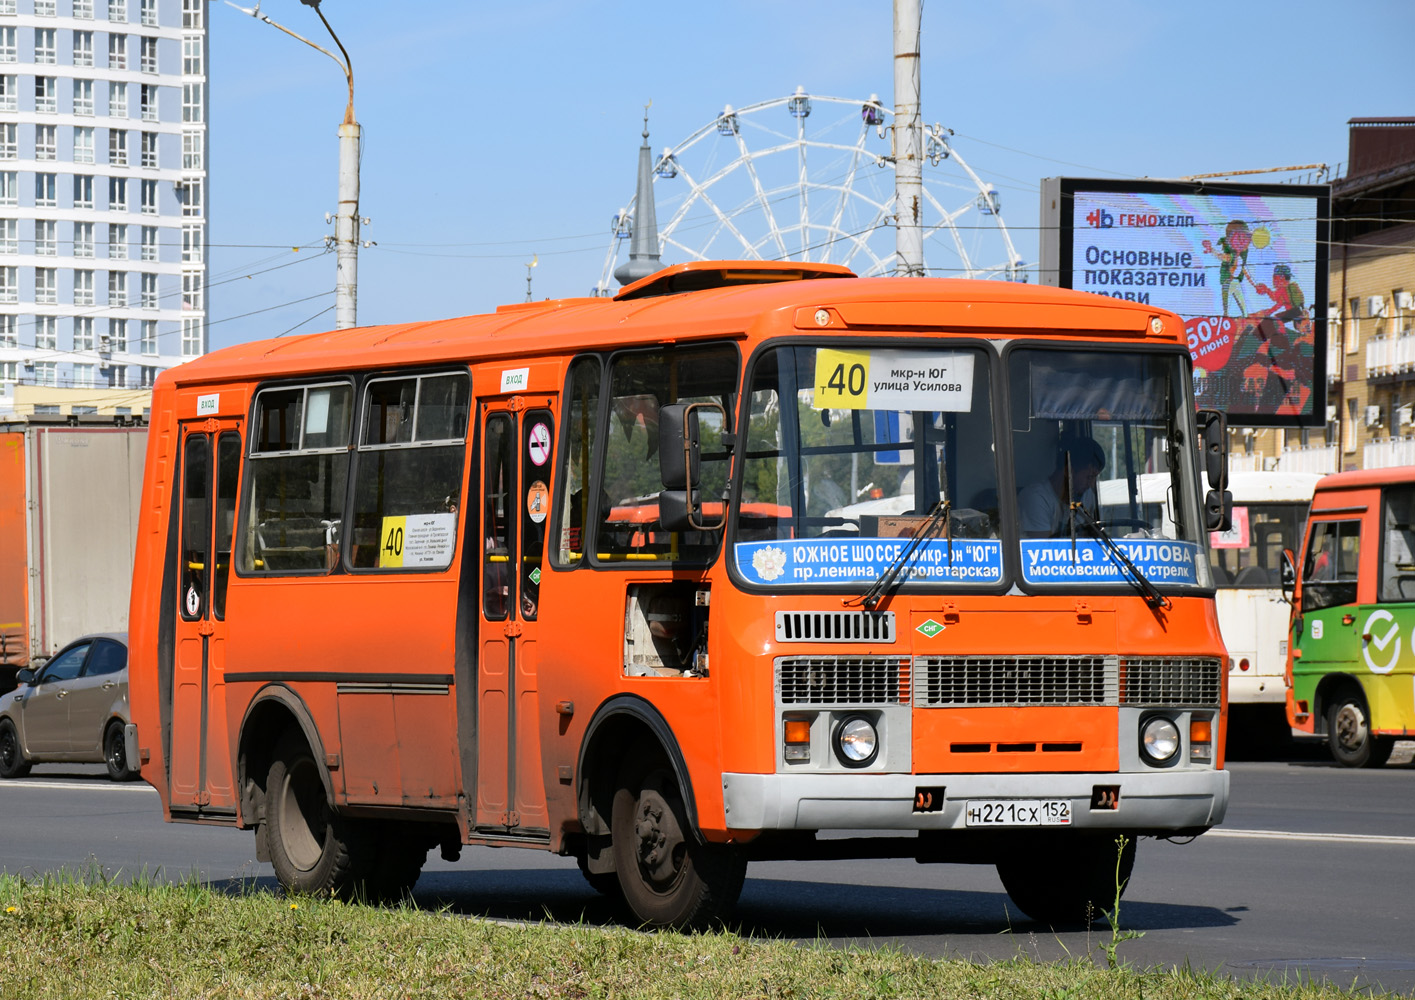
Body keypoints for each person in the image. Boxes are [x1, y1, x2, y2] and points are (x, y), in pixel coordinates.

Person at [1020, 437, 1104, 537]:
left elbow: (1085, 540)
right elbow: (1043, 548)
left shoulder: (1085, 496)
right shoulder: (1036, 498)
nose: (1091, 484)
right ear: (1068, 471)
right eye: (1089, 477)